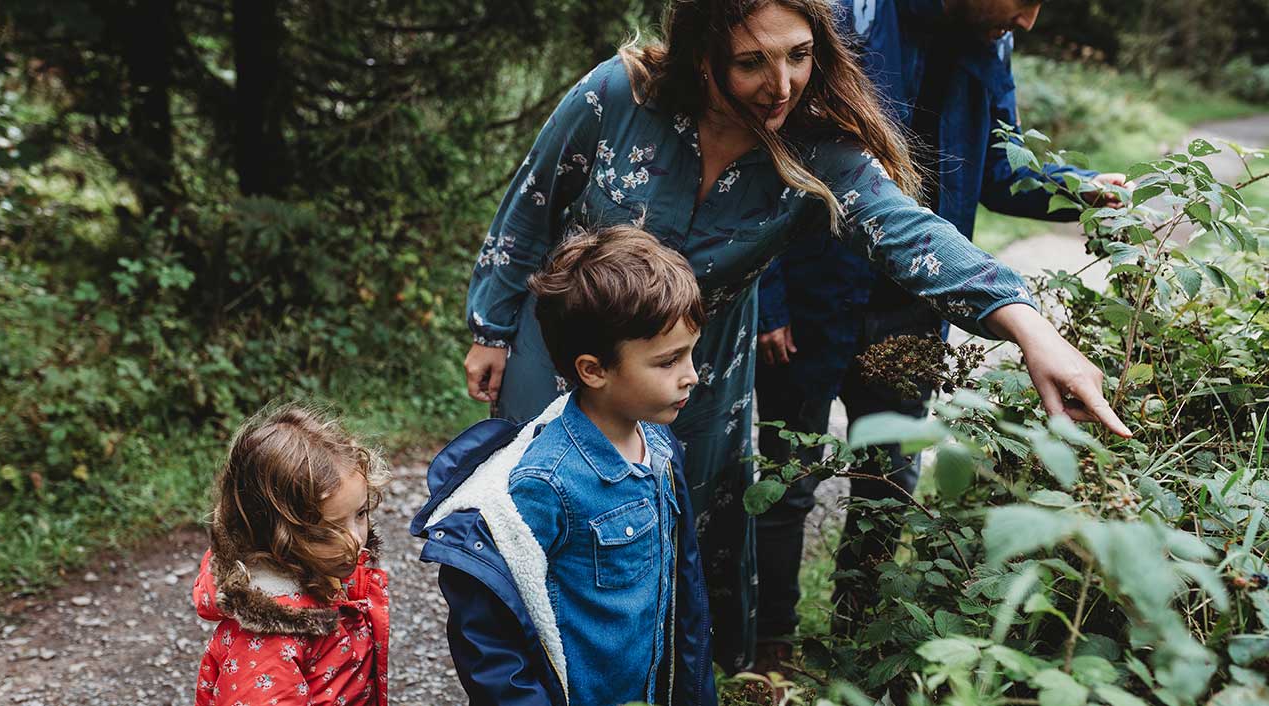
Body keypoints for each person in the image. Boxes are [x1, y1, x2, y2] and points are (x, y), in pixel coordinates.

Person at [460, 0, 1130, 671]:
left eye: (799, 55)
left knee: (657, 548)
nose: (781, 83)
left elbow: (914, 237)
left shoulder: (820, 150)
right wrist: (491, 327)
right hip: (560, 359)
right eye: (752, 61)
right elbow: (531, 204)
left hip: (696, 379)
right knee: (532, 526)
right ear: (705, 53)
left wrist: (1029, 328)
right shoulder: (616, 94)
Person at [750, 0, 1131, 666]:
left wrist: (1080, 188)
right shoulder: (847, 22)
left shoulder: (993, 43)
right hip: (812, 297)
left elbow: (1000, 175)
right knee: (787, 476)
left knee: (890, 478)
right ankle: (767, 647)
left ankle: (856, 643)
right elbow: (773, 147)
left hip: (917, 305)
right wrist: (768, 294)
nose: (1030, 21)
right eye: (1024, 1)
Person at [413, 227, 717, 706]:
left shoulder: (659, 445)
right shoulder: (545, 483)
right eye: (668, 361)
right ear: (593, 369)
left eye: (691, 353)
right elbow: (488, 628)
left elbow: (683, 592)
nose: (691, 375)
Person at [192, 406, 391, 706]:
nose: (356, 539)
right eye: (330, 529)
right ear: (275, 537)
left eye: (361, 513)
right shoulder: (266, 645)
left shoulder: (327, 568)